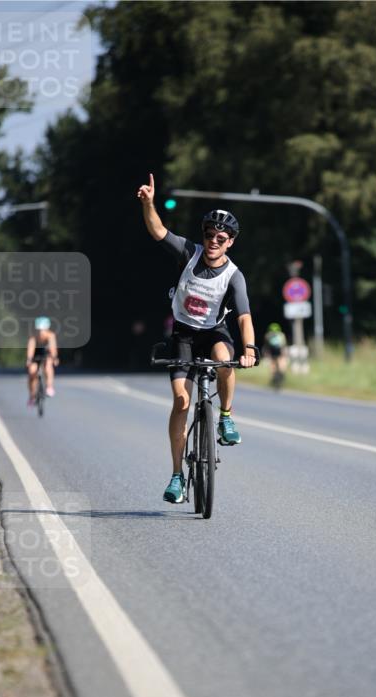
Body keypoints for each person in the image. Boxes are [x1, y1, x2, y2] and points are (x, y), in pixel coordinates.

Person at [136, 172, 257, 504]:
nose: (214, 240)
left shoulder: (234, 276)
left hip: (213, 332)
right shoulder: (188, 252)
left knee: (224, 359)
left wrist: (248, 348)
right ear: (203, 236)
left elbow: (244, 317)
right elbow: (158, 231)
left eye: (221, 237)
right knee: (181, 402)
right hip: (184, 334)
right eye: (209, 234)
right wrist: (149, 203)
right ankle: (177, 475)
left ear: (230, 241)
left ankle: (226, 418)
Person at [26, 317, 58, 405]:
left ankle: (49, 386)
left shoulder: (51, 335)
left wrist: (54, 357)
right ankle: (32, 395)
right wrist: (29, 359)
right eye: (39, 329)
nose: (41, 332)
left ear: (47, 329)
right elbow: (31, 348)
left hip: (46, 354)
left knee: (48, 366)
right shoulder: (33, 336)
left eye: (43, 329)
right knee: (32, 372)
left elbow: (53, 348)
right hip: (35, 354)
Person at [264, 322, 288, 388]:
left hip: (272, 352)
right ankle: (281, 375)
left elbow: (267, 346)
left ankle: (274, 377)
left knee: (273, 366)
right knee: (281, 364)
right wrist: (285, 353)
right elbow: (284, 345)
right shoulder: (281, 335)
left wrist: (266, 354)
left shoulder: (267, 335)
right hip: (279, 352)